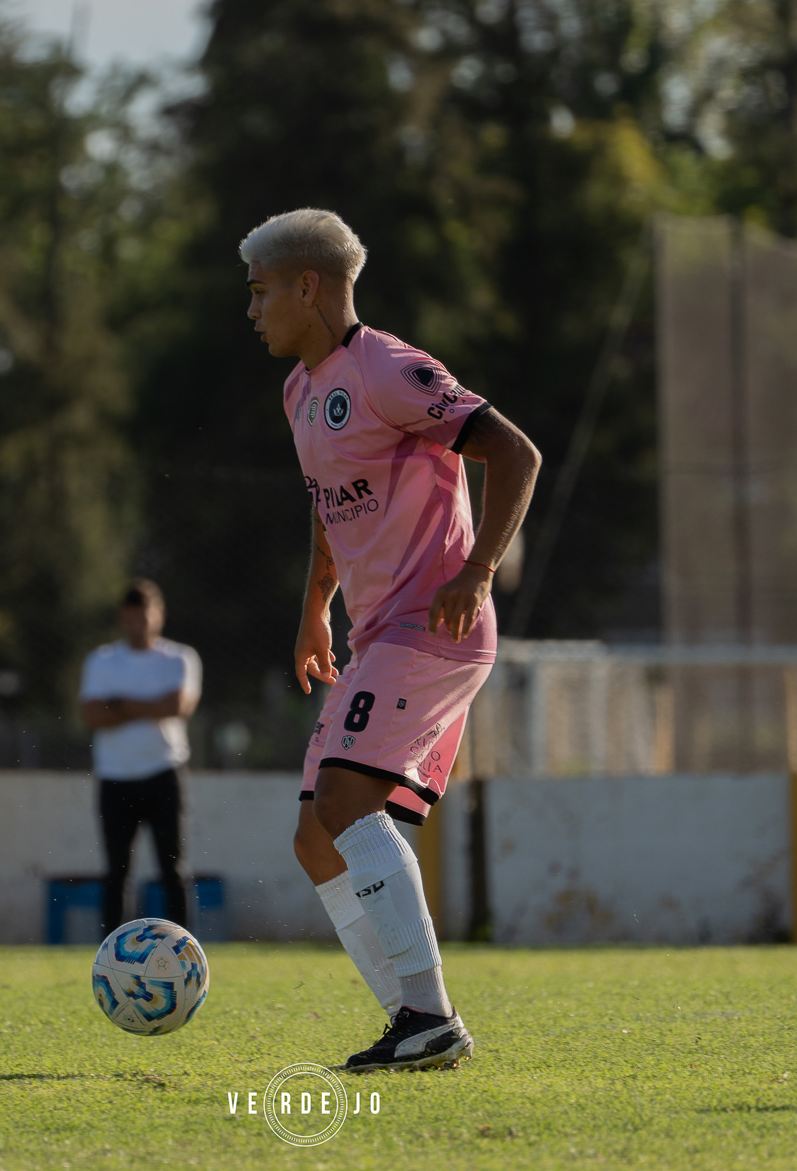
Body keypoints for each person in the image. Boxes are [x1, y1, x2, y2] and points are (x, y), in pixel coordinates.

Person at [244, 209, 541, 1072]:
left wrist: (479, 567)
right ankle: (412, 1021)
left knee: (346, 804)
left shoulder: (387, 368)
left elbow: (514, 452)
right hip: (378, 635)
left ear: (309, 287)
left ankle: (428, 1013)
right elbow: (329, 507)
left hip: (434, 628)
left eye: (261, 293)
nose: (252, 311)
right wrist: (314, 609)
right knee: (314, 837)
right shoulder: (300, 390)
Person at [79, 579, 202, 935]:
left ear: (159, 616)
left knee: (173, 870)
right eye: (132, 617)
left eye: (145, 616)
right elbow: (92, 716)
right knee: (116, 872)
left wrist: (118, 704)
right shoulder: (102, 660)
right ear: (122, 617)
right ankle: (112, 958)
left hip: (165, 773)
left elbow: (178, 706)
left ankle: (184, 953)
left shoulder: (180, 657)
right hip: (115, 777)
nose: (139, 624)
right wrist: (151, 707)